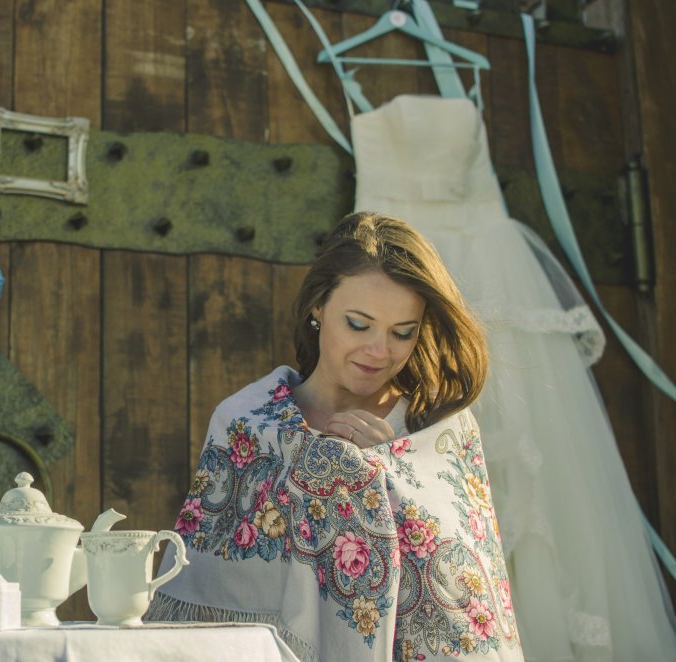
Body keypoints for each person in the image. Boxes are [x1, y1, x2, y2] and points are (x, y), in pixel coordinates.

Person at [147, 211, 524, 661]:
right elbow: (202, 586)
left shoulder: (442, 431)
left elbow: (467, 595)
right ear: (318, 307)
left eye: (402, 333)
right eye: (358, 324)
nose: (379, 351)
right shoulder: (246, 423)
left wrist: (384, 471)